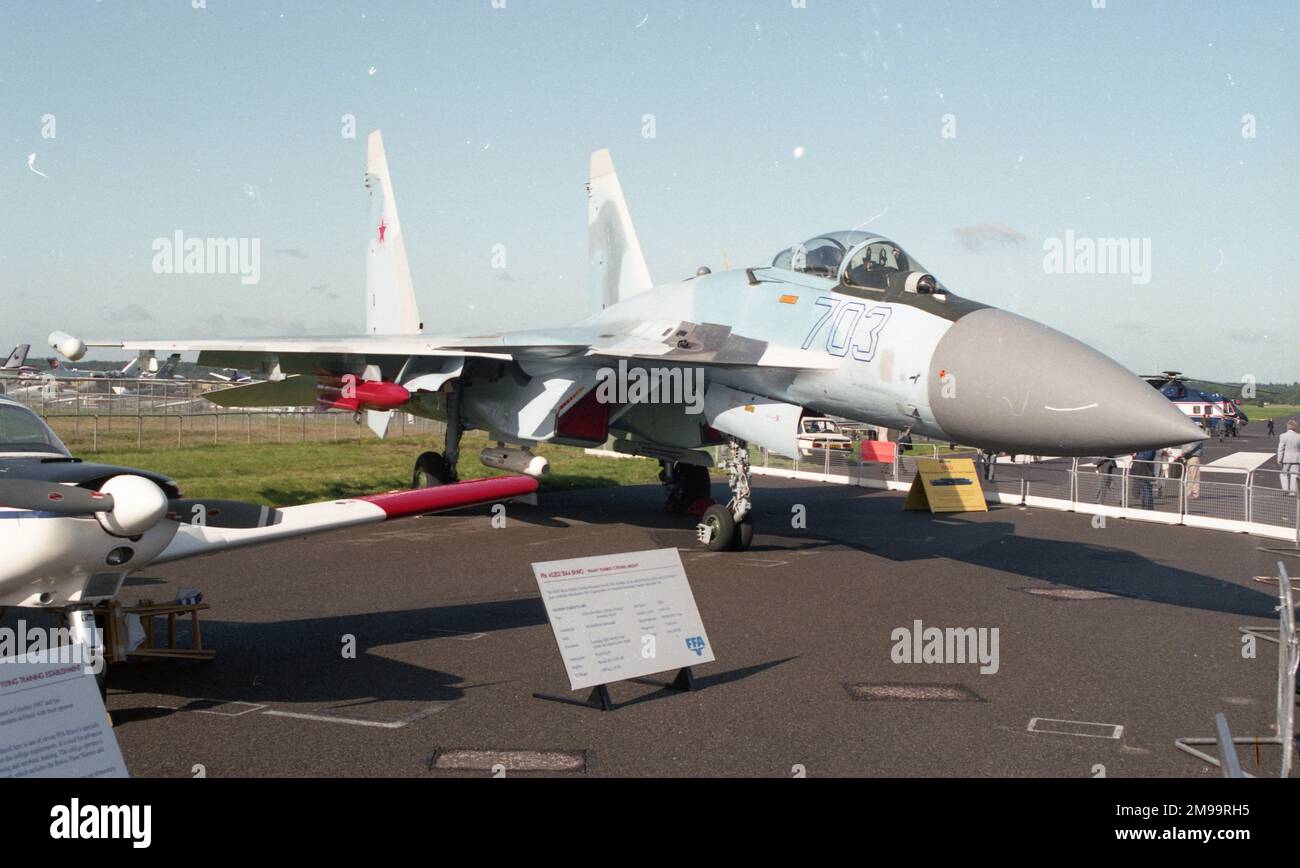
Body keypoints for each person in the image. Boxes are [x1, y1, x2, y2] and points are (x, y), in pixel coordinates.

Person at [1279, 420, 1300, 496]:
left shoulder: (1283, 435)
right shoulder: (1298, 436)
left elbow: (1280, 448)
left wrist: (1279, 458)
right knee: (1294, 475)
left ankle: (1285, 489)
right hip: (1297, 458)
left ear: (1288, 427)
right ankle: (1292, 492)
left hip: (1287, 458)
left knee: (1283, 474)